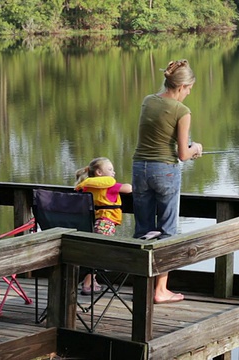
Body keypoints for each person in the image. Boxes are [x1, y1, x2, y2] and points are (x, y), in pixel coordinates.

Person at [131, 59, 203, 304]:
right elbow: (183, 154)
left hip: (140, 168)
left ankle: (143, 286)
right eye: (190, 88)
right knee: (167, 231)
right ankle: (160, 290)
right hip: (165, 171)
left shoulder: (148, 100)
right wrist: (197, 148)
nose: (190, 92)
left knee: (143, 229)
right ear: (181, 86)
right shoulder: (182, 111)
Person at [75, 157, 132, 295]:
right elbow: (129, 189)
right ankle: (88, 283)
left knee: (93, 251)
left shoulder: (86, 186)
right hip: (105, 223)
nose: (114, 172)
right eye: (110, 169)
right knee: (99, 253)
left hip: (90, 223)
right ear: (99, 173)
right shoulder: (110, 186)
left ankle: (91, 281)